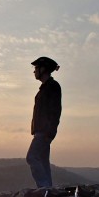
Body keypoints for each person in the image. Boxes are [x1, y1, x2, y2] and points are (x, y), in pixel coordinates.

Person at [26, 56, 61, 188]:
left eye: (36, 68)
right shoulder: (45, 88)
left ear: (43, 69)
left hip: (44, 131)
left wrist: (50, 131)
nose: (34, 71)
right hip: (41, 131)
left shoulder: (52, 87)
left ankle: (43, 188)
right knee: (42, 160)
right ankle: (48, 189)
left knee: (32, 157)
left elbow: (55, 110)